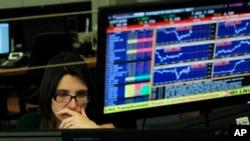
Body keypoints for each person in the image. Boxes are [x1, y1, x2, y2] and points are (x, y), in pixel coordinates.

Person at [17, 52, 115, 129]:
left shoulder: (103, 126)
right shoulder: (29, 124)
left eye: (81, 94)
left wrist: (94, 133)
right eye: (63, 94)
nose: (73, 105)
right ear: (48, 96)